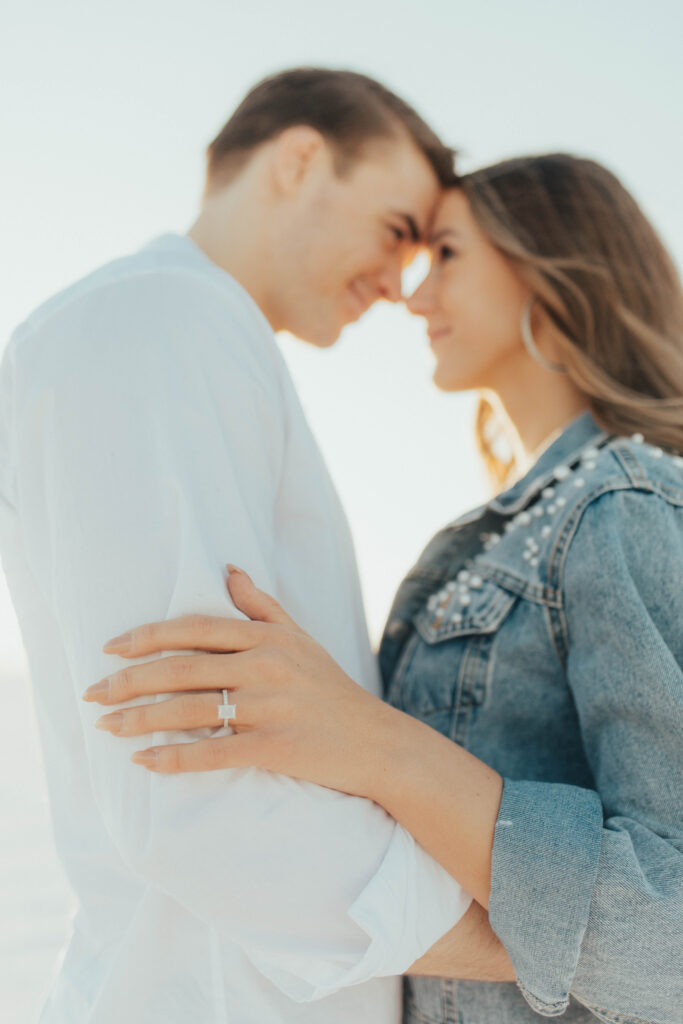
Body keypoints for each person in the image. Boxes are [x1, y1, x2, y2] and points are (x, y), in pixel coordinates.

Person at [92, 154, 683, 1024]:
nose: (412, 296)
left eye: (445, 254)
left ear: (547, 269)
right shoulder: (483, 539)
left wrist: (368, 740)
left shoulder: (621, 502)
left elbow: (667, 946)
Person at [0, 68, 511, 1024]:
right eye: (397, 229)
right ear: (301, 159)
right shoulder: (157, 319)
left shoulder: (196, 334)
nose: (400, 284)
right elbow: (191, 778)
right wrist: (545, 945)